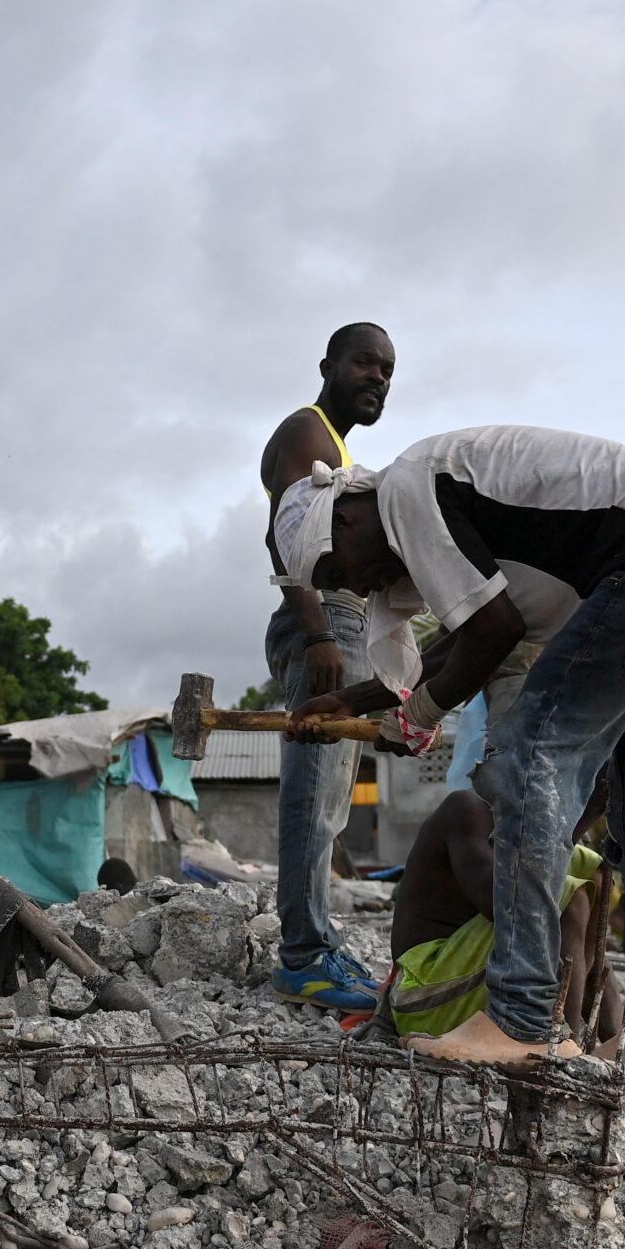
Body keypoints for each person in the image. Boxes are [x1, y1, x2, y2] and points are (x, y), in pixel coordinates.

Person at [273, 424, 625, 1079]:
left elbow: (493, 630)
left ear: (346, 513)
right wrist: (362, 701)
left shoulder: (404, 485)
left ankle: (523, 1016)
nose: (365, 584)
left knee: (527, 758)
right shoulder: (455, 517)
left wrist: (415, 716)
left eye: (342, 569)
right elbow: (473, 640)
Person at [256, 322, 396, 1012]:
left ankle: (316, 942)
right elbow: (286, 535)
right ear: (329, 365)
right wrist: (317, 635)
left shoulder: (334, 449)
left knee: (332, 802)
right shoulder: (309, 433)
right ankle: (303, 958)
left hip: (343, 619)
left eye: (388, 371)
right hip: (325, 620)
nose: (377, 377)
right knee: (314, 795)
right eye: (364, 362)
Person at [384, 769, 620, 1044]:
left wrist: (615, 1041)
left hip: (473, 989)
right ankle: (560, 1047)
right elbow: (505, 904)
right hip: (425, 998)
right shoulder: (466, 810)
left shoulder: (539, 831)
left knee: (595, 878)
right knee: (571, 897)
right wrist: (586, 813)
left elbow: (594, 949)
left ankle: (599, 1040)